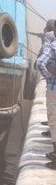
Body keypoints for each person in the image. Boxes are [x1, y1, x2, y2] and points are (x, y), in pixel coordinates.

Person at [35, 29, 56, 169]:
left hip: (54, 88)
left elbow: (40, 62)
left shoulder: (52, 45)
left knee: (53, 120)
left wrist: (48, 76)